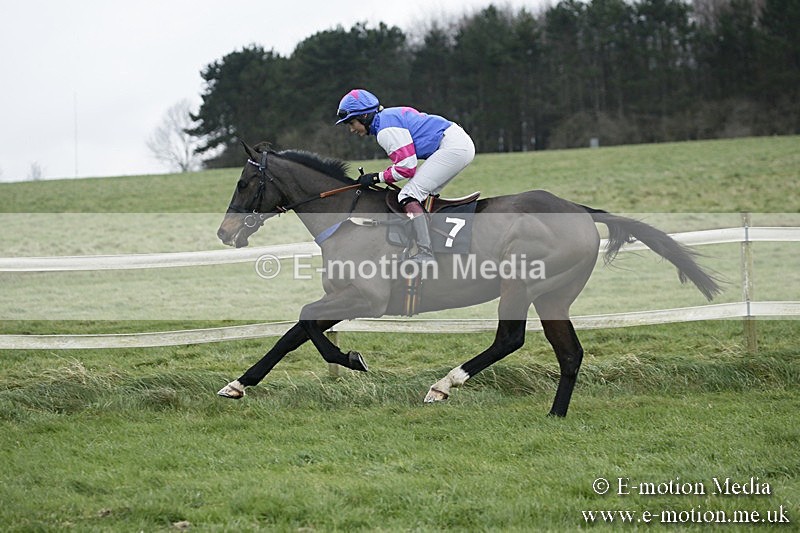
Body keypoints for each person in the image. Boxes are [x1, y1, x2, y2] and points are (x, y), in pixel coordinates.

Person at [335, 89, 475, 265]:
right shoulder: (386, 118)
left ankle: (426, 253)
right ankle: (428, 245)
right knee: (420, 195)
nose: (351, 129)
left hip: (452, 147)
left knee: (408, 195)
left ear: (364, 117)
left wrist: (375, 178)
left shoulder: (385, 130)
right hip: (455, 143)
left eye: (351, 123)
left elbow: (406, 168)